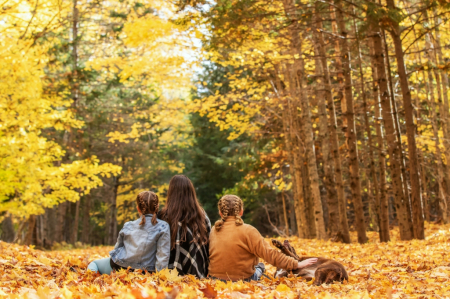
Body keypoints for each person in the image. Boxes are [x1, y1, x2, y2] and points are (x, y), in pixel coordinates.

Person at [208, 194, 317, 281]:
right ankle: (260, 269)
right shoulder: (248, 230)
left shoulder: (213, 230)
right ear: (241, 211)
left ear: (220, 212)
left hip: (214, 280)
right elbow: (269, 254)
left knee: (257, 266)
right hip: (243, 280)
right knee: (260, 267)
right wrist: (296, 264)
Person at [87, 191, 170, 274]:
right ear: (157, 207)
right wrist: (159, 276)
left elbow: (118, 248)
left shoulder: (128, 225)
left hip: (121, 267)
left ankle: (92, 277)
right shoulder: (163, 226)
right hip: (146, 271)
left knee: (94, 264)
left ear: (138, 208)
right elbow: (162, 255)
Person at [158, 175, 211, 278]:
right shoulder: (202, 215)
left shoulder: (162, 216)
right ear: (191, 193)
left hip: (168, 273)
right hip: (199, 271)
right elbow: (210, 243)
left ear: (171, 193)